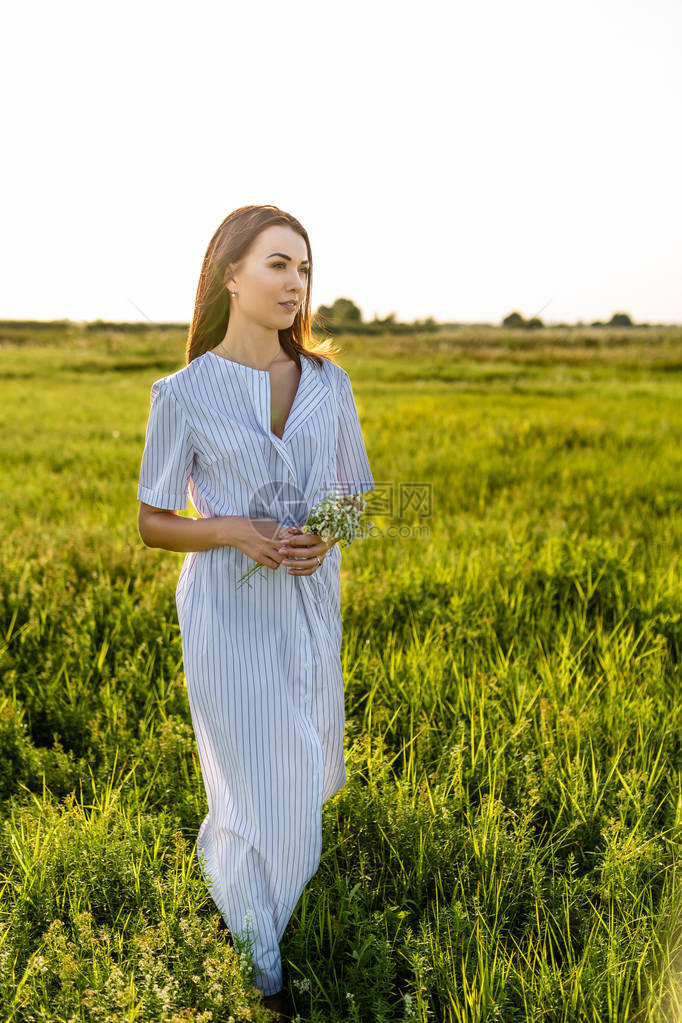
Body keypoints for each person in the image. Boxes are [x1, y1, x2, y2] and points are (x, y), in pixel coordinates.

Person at [136, 205, 375, 1020]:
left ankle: (230, 876)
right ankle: (263, 969)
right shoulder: (183, 393)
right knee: (260, 784)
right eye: (278, 264)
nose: (295, 283)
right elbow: (152, 518)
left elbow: (360, 498)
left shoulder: (329, 383)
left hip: (308, 607)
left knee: (303, 779)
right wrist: (231, 528)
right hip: (225, 617)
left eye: (304, 269)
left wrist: (324, 535)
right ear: (229, 274)